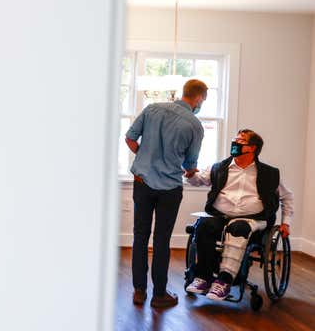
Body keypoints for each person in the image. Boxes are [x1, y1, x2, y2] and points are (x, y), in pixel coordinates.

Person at [125, 79, 207, 308]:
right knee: (162, 240)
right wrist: (191, 170)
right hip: (170, 189)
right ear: (199, 98)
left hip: (142, 181)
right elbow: (190, 165)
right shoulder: (194, 126)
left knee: (140, 236)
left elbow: (130, 138)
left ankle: (139, 291)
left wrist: (145, 158)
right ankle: (159, 295)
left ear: (184, 92)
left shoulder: (152, 109)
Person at [185, 129, 293, 300]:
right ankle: (203, 277)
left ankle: (224, 281)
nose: (234, 143)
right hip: (221, 215)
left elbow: (287, 197)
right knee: (204, 225)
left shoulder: (270, 173)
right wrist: (191, 175)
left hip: (254, 218)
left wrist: (286, 222)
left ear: (252, 148)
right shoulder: (220, 167)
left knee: (238, 228)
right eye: (235, 140)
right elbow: (198, 180)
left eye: (240, 141)